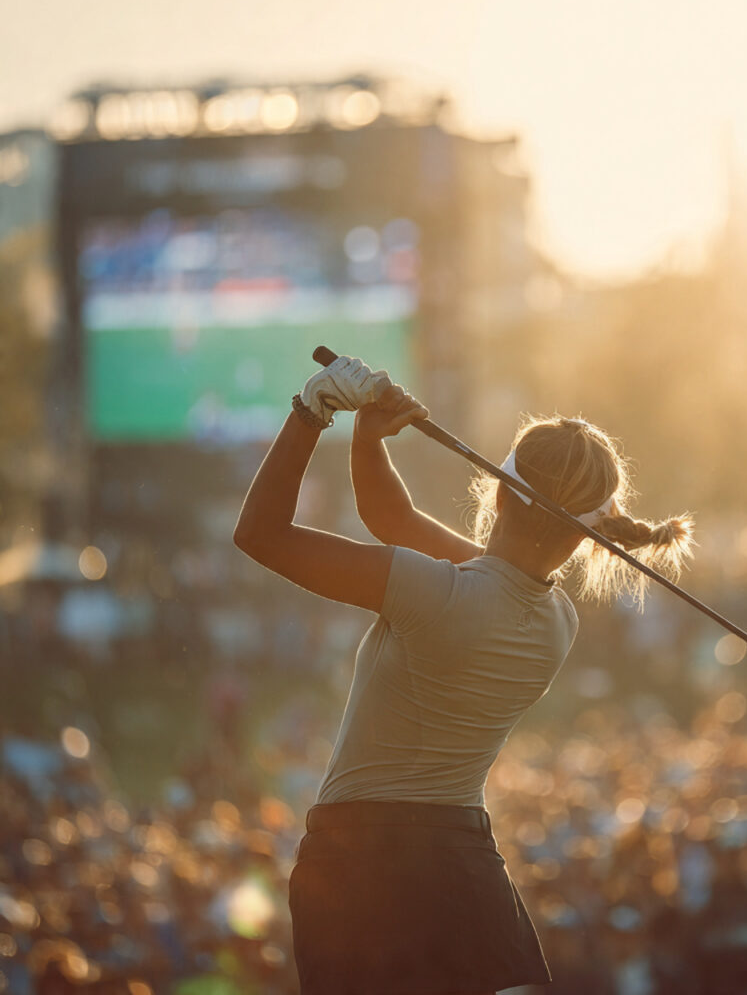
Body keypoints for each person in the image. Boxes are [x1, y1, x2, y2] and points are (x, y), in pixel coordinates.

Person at [233, 356, 694, 995]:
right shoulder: (556, 622)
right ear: (590, 537)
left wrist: (312, 413)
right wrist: (368, 441)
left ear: (499, 491)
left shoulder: (438, 594)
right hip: (459, 860)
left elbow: (261, 534)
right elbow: (394, 522)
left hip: (358, 858)